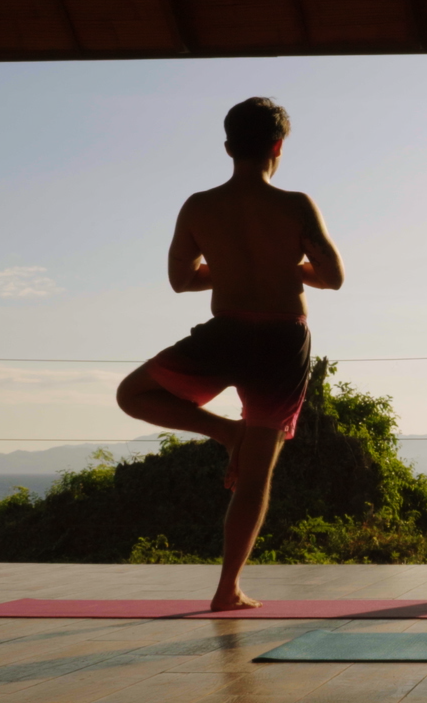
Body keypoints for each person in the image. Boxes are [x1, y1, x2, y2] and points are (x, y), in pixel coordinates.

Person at [116, 97, 344, 611]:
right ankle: (227, 589)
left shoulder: (199, 206)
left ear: (227, 147)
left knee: (132, 395)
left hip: (226, 333)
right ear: (278, 146)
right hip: (282, 340)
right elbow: (333, 277)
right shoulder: (296, 204)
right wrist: (282, 267)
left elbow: (181, 280)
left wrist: (233, 266)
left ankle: (224, 433)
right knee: (256, 475)